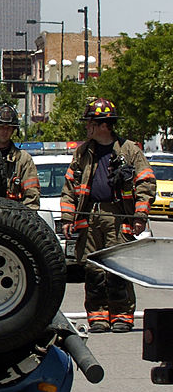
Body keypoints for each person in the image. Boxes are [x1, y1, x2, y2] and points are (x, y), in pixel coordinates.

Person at [60, 98, 156, 333]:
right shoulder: (83, 152)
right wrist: (67, 218)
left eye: (90, 123)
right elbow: (70, 187)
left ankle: (121, 316)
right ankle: (98, 318)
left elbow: (145, 183)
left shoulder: (130, 151)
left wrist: (140, 215)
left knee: (118, 267)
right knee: (93, 269)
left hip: (118, 217)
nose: (87, 127)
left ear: (104, 125)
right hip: (90, 217)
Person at [0, 104, 40, 209]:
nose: (5, 131)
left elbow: (31, 197)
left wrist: (25, 217)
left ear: (14, 130)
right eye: (1, 127)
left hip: (14, 216)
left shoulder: (23, 159)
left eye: (9, 128)